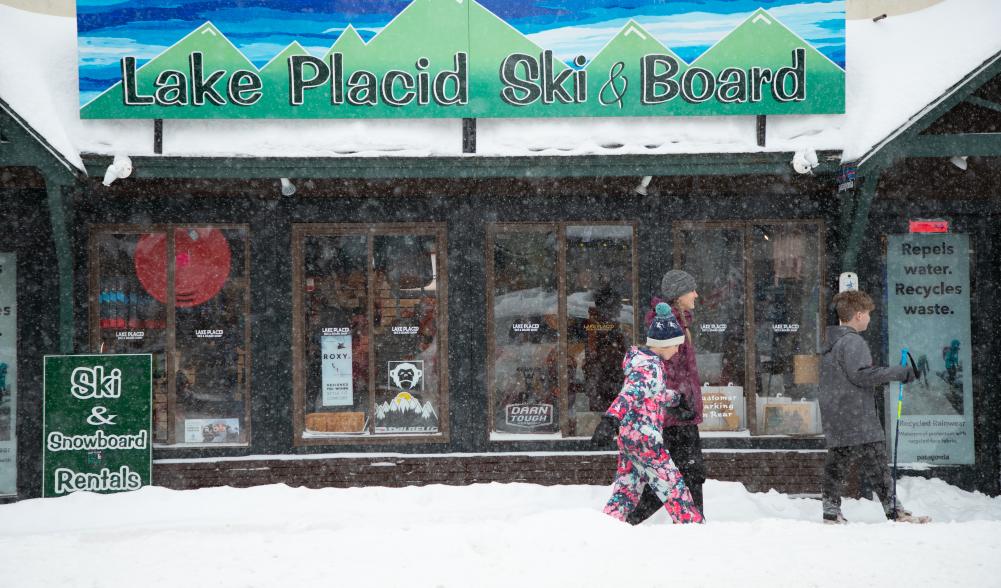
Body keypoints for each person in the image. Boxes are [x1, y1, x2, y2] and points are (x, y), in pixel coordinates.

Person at [819, 290, 929, 524]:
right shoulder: (853, 341)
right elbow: (861, 375)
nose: (869, 318)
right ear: (858, 315)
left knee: (836, 464)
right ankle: (895, 511)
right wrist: (899, 372)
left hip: (836, 413)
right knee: (878, 465)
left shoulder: (831, 343)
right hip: (858, 415)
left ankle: (831, 511)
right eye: (868, 314)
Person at [602, 303, 704, 525]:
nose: (678, 350)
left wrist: (676, 399)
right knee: (674, 487)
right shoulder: (650, 367)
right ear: (665, 344)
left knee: (625, 492)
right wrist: (610, 419)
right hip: (646, 441)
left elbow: (650, 394)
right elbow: (630, 394)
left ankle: (606, 528)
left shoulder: (644, 362)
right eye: (676, 345)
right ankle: (694, 528)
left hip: (630, 439)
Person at [626, 270, 706, 524]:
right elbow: (667, 369)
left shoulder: (681, 322)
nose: (696, 294)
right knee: (685, 472)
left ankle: (694, 523)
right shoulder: (669, 326)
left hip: (681, 412)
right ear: (678, 295)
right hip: (676, 415)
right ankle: (632, 521)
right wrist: (679, 401)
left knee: (684, 472)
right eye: (691, 290)